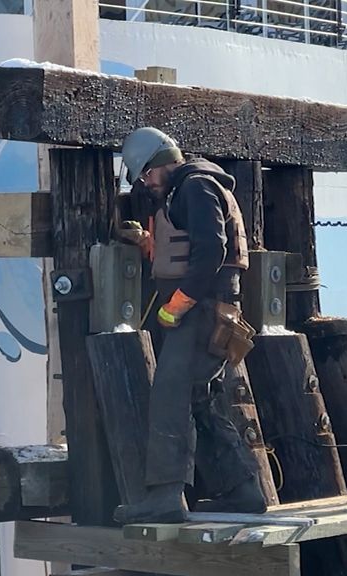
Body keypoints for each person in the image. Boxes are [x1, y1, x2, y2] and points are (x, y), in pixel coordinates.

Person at [112, 127, 267, 524]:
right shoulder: (188, 191)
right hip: (209, 310)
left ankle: (165, 497)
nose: (146, 184)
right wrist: (148, 241)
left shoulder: (195, 187)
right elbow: (188, 246)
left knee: (169, 396)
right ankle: (244, 491)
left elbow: (210, 251)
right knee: (201, 400)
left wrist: (176, 307)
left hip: (200, 312)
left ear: (160, 161)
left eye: (146, 175)